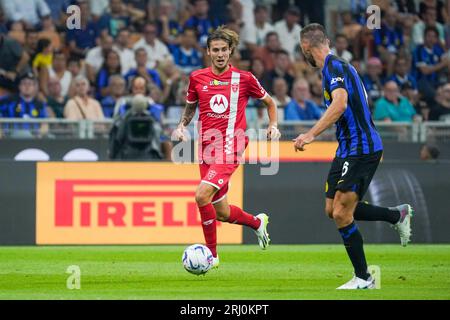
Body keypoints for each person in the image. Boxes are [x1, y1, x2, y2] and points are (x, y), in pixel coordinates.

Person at [293, 23, 414, 290]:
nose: (305, 57)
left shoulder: (334, 67)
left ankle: (364, 278)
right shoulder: (333, 68)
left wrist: (311, 134)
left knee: (341, 212)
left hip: (363, 148)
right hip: (347, 148)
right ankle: (396, 216)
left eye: (304, 52)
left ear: (308, 48)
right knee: (332, 209)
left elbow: (340, 103)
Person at [174, 26, 280, 268]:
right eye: (216, 50)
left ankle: (211, 256)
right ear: (208, 52)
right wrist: (181, 126)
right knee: (220, 211)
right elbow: (191, 108)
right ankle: (257, 222)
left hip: (231, 146)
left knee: (201, 195)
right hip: (205, 148)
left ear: (231, 51)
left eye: (224, 49)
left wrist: (273, 124)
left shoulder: (245, 79)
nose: (220, 54)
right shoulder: (196, 78)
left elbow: (270, 102)